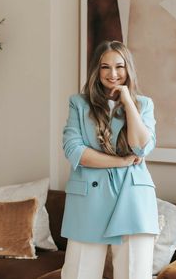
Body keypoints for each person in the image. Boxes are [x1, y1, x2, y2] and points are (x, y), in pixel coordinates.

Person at [61, 40, 159, 279]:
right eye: (105, 67)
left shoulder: (143, 104)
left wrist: (128, 102)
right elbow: (74, 151)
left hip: (133, 200)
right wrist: (122, 162)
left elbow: (142, 147)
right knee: (78, 274)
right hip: (88, 202)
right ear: (97, 70)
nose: (113, 74)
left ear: (128, 69)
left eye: (119, 66)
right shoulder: (79, 103)